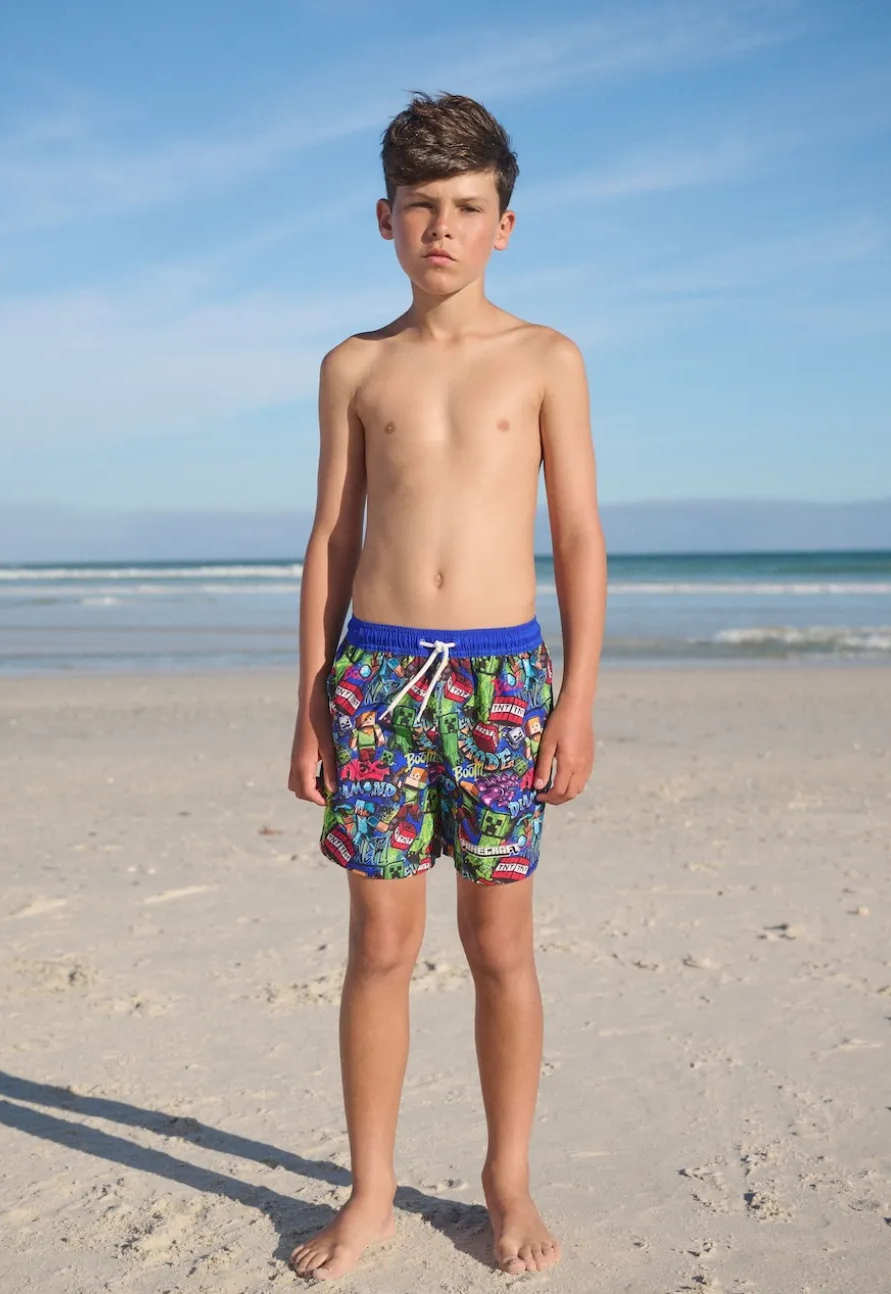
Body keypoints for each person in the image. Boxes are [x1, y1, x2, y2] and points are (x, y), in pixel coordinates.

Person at [287, 90, 607, 1281]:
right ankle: (370, 1189)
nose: (442, 228)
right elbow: (330, 539)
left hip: (500, 682)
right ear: (385, 217)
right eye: (420, 205)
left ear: (502, 225)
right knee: (379, 940)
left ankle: (505, 1178)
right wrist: (311, 701)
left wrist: (575, 700)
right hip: (375, 678)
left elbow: (577, 537)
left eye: (467, 207)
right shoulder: (354, 365)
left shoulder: (545, 358)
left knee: (498, 940)